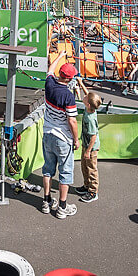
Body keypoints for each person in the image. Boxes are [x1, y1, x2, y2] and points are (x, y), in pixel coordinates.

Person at [41, 52, 80, 219]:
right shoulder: (68, 96)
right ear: (69, 79)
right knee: (65, 173)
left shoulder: (49, 84)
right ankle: (62, 207)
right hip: (63, 137)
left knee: (48, 169)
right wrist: (76, 139)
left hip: (47, 133)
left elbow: (50, 70)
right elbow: (72, 121)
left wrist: (59, 57)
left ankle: (47, 201)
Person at [79, 90, 102, 203]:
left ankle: (93, 192)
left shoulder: (91, 118)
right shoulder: (90, 107)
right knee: (84, 166)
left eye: (86, 97)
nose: (84, 96)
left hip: (91, 147)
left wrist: (88, 151)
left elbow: (93, 137)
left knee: (91, 169)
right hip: (86, 144)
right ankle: (86, 185)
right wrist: (81, 83)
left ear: (87, 104)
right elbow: (88, 94)